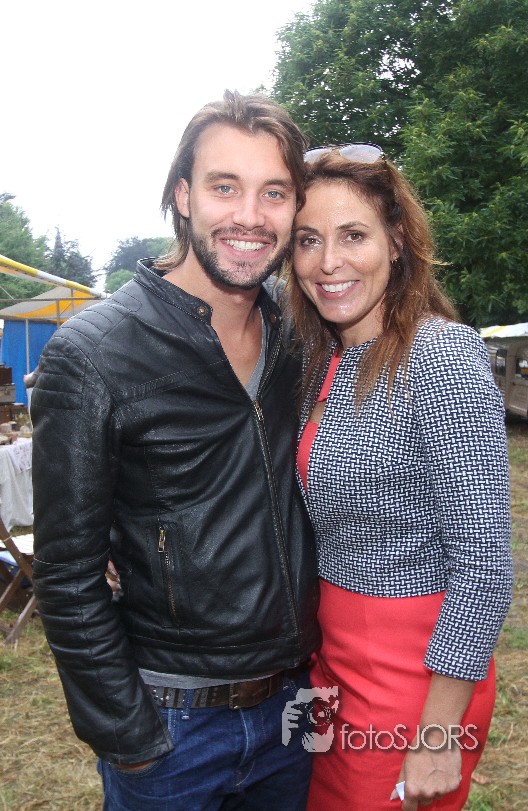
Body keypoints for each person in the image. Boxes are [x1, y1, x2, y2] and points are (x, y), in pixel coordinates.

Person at [31, 90, 321, 811]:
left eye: (274, 192)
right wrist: (129, 734)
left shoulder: (303, 336)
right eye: (225, 187)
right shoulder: (95, 353)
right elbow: (65, 573)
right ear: (184, 197)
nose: (250, 215)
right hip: (172, 727)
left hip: (294, 712)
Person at [288, 144, 513, 811]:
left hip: (414, 675)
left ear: (394, 239)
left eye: (352, 235)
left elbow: (484, 562)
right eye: (307, 240)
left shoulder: (438, 353)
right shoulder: (320, 360)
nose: (328, 262)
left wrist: (438, 732)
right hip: (328, 663)